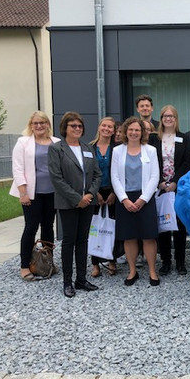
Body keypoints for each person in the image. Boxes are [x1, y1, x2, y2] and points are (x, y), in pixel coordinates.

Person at [48, 112, 102, 298]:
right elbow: (56, 178)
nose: (77, 129)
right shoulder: (57, 149)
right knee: (69, 241)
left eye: (79, 126)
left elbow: (97, 174)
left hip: (88, 201)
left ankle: (81, 279)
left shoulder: (87, 147)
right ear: (65, 128)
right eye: (73, 126)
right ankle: (67, 282)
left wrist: (89, 195)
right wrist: (76, 198)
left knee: (83, 240)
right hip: (68, 203)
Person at [10, 111, 60, 281]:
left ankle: (47, 262)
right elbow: (18, 169)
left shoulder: (57, 142)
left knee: (48, 227)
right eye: (35, 123)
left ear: (48, 125)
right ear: (31, 125)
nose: (39, 126)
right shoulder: (23, 143)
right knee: (31, 227)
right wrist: (22, 193)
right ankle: (25, 266)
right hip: (31, 194)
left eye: (42, 123)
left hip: (52, 193)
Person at [111, 116, 160, 287]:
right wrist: (124, 199)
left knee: (149, 236)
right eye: (130, 130)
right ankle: (132, 270)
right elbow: (115, 177)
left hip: (145, 198)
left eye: (137, 130)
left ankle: (153, 271)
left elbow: (155, 176)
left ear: (142, 132)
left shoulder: (151, 150)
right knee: (129, 236)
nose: (134, 133)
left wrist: (142, 199)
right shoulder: (118, 151)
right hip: (125, 197)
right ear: (125, 131)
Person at [149, 105, 190, 276]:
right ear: (161, 119)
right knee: (164, 226)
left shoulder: (184, 138)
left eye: (171, 116)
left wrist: (175, 182)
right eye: (165, 116)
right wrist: (160, 181)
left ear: (176, 119)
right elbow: (151, 163)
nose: (168, 119)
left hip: (178, 188)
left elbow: (188, 163)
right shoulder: (154, 139)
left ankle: (180, 262)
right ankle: (166, 261)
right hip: (160, 188)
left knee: (180, 226)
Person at [89, 116, 118, 278]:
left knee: (112, 227)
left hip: (113, 192)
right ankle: (95, 263)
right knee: (95, 228)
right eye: (104, 126)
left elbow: (121, 172)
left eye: (110, 127)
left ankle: (111, 260)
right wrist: (96, 193)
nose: (107, 129)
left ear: (114, 130)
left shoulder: (117, 148)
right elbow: (87, 173)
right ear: (99, 127)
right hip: (95, 192)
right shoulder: (89, 148)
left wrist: (114, 192)